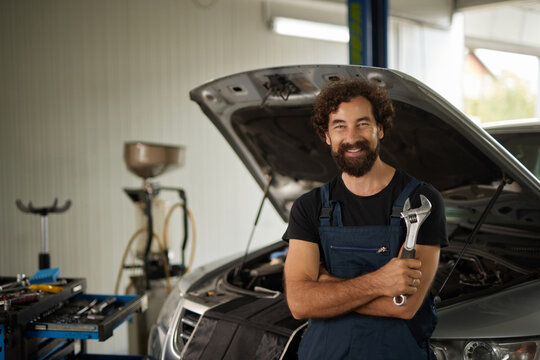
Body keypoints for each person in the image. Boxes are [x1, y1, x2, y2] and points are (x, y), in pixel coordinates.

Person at [282, 79, 448, 360]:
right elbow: (299, 303)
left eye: (362, 124)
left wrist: (326, 287)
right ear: (327, 136)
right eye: (339, 126)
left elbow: (404, 306)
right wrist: (380, 282)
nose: (352, 137)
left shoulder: (422, 201)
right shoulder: (309, 207)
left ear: (379, 129)